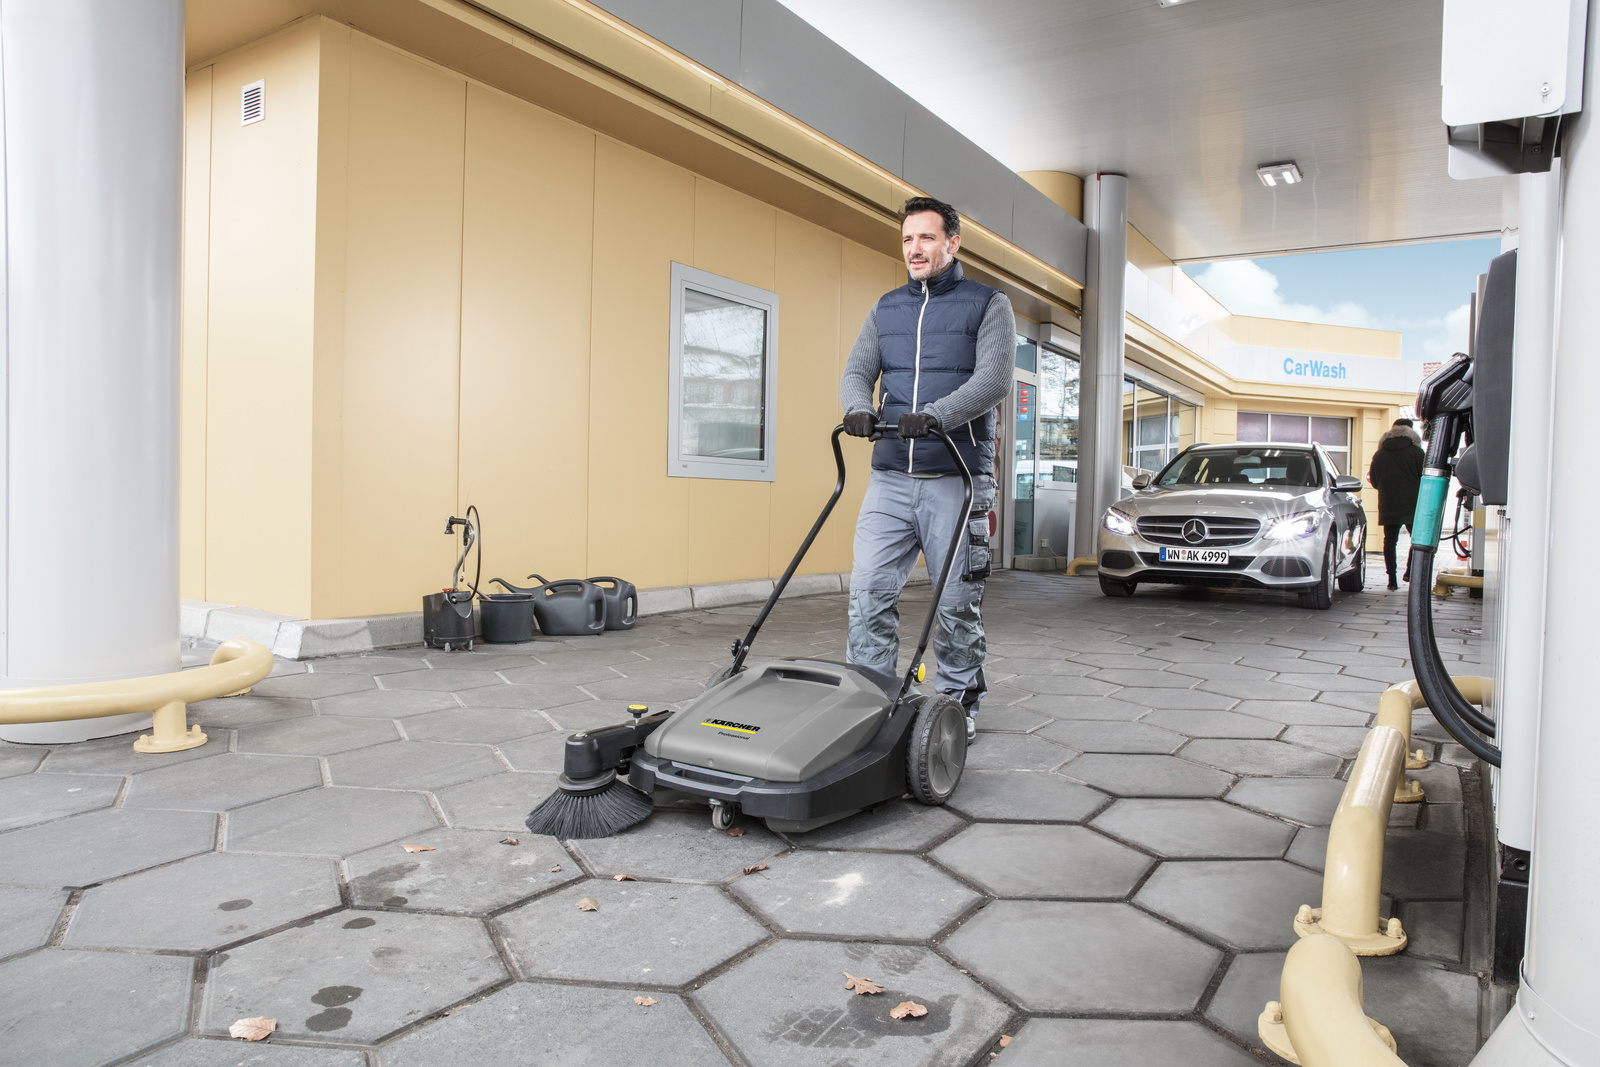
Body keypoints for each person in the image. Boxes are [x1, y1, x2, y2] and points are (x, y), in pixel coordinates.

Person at [839, 196, 1014, 744]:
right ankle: (869, 698)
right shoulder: (886, 308)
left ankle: (958, 703)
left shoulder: (988, 304)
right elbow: (857, 371)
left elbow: (994, 381)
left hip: (956, 477)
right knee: (868, 592)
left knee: (957, 603)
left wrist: (935, 416)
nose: (914, 249)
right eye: (908, 239)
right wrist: (858, 409)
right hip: (890, 477)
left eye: (927, 238)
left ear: (952, 243)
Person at [1367, 417, 1426, 590]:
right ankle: (1409, 571)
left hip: (1389, 503)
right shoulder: (1417, 453)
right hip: (1413, 504)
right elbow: (1425, 478)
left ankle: (1392, 580)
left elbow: (1374, 481)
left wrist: (1387, 489)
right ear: (1411, 431)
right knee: (1417, 540)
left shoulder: (1380, 454)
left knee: (1390, 541)